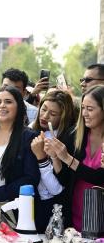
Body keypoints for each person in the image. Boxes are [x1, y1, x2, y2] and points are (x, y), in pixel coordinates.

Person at [0, 86, 40, 233]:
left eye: (8, 102)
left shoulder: (28, 136)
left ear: (19, 106)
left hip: (13, 207)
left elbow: (31, 178)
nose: (2, 106)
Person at [44, 85, 104, 231]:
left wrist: (68, 159)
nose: (84, 113)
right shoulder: (74, 135)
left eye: (90, 109)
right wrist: (56, 157)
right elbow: (65, 179)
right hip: (75, 216)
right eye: (83, 108)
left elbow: (100, 178)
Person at [29, 90, 76, 232]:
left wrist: (42, 158)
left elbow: (56, 189)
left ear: (63, 117)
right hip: (28, 202)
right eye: (43, 109)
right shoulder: (30, 130)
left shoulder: (65, 140)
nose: (45, 116)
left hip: (52, 209)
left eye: (53, 114)